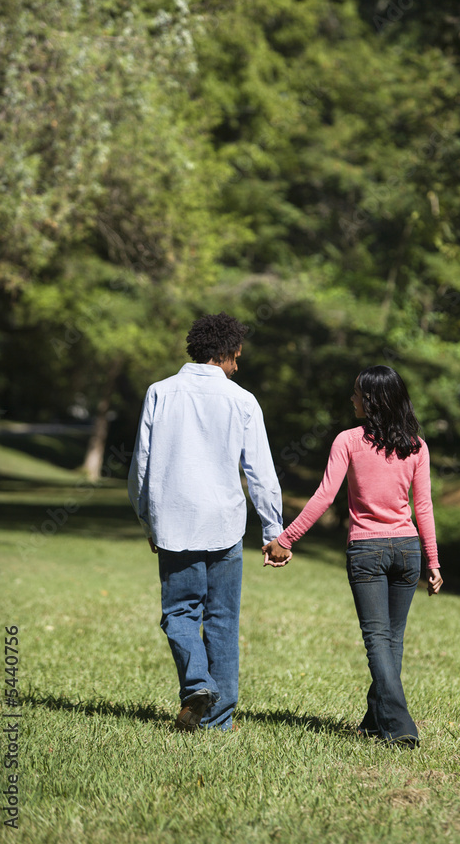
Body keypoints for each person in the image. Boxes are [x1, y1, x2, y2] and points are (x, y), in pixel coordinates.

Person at [263, 365, 443, 747]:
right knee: (391, 640)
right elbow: (423, 506)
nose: (353, 399)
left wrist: (287, 538)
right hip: (407, 548)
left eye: (358, 394)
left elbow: (324, 496)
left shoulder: (348, 440)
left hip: (367, 549)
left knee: (378, 639)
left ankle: (399, 725)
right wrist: (433, 561)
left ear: (374, 400)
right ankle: (375, 720)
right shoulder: (416, 444)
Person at [128, 312, 291, 733]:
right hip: (224, 525)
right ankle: (218, 719)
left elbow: (141, 466)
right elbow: (260, 472)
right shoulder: (242, 400)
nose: (238, 365)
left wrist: (148, 519)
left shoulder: (159, 392)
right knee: (222, 618)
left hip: (175, 523)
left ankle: (197, 686)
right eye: (237, 357)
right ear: (228, 353)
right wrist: (274, 530)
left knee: (180, 612)